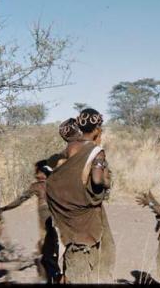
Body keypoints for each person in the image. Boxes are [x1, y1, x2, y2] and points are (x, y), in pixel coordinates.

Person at [46, 108, 115, 283]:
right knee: (91, 250)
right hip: (85, 211)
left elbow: (58, 170)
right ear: (97, 129)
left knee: (72, 249)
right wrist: (108, 182)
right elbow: (97, 180)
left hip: (67, 209)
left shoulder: (69, 148)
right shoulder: (95, 151)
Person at [0, 160, 60, 283]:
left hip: (46, 224)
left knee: (43, 252)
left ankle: (47, 278)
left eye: (36, 171)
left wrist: (4, 208)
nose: (35, 174)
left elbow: (20, 200)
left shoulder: (36, 186)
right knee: (52, 249)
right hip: (57, 220)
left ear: (42, 172)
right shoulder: (56, 183)